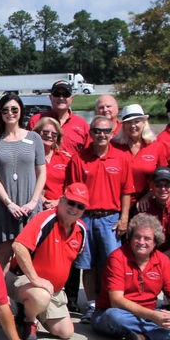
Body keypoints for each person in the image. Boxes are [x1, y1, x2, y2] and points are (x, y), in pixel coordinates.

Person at [90, 213, 170, 340]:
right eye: (137, 237)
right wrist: (154, 317)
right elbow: (116, 301)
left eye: (147, 238)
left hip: (148, 315)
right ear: (130, 238)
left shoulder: (162, 260)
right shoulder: (117, 258)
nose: (141, 242)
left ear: (155, 242)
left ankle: (144, 338)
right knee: (114, 317)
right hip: (117, 313)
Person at [66, 115, 134, 316]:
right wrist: (75, 221)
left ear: (112, 133)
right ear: (91, 133)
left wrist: (124, 218)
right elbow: (73, 191)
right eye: (97, 131)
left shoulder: (122, 157)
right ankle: (93, 305)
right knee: (87, 265)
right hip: (85, 217)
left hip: (111, 219)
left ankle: (112, 303)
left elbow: (127, 191)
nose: (101, 135)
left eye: (106, 131)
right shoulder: (79, 158)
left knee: (112, 263)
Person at [7, 184, 89, 340]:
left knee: (65, 332)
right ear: (62, 200)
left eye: (80, 206)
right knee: (40, 296)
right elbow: (18, 246)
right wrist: (36, 279)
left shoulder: (81, 230)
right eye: (71, 202)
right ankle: (28, 319)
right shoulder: (45, 219)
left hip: (53, 291)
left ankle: (34, 308)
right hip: (23, 280)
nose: (74, 209)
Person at [0, 93, 46, 266]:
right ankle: (3, 293)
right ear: (0, 113)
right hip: (5, 206)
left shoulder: (34, 138)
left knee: (32, 257)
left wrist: (34, 202)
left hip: (30, 204)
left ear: (21, 111)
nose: (10, 113)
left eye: (14, 109)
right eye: (5, 110)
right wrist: (9, 203)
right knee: (3, 257)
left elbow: (42, 172)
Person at [112, 104, 167, 207]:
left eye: (137, 122)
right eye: (129, 122)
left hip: (147, 202)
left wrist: (149, 195)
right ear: (123, 125)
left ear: (144, 123)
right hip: (117, 203)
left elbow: (163, 177)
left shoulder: (156, 146)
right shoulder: (114, 146)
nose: (133, 126)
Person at [29, 80, 89, 150]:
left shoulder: (82, 124)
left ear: (71, 98)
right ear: (50, 97)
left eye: (66, 94)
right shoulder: (35, 121)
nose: (61, 98)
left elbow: (88, 154)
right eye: (57, 94)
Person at [33, 116, 71, 210]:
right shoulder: (29, 158)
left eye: (54, 134)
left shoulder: (65, 159)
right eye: (45, 132)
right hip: (35, 207)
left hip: (60, 208)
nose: (49, 136)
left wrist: (58, 201)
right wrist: (42, 199)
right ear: (37, 133)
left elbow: (71, 186)